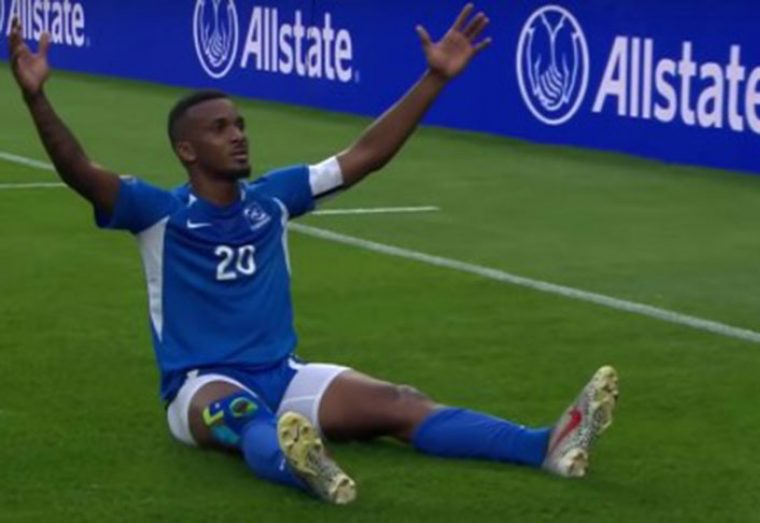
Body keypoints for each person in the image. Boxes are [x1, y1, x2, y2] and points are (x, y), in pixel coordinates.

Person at [8, 4, 619, 505]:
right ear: (187, 151)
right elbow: (79, 171)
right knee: (246, 419)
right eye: (221, 128)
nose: (239, 133)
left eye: (240, 123)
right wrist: (37, 99)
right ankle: (305, 465)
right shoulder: (159, 214)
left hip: (285, 373)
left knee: (397, 403)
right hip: (201, 387)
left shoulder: (275, 196)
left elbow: (365, 155)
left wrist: (434, 79)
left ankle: (546, 444)